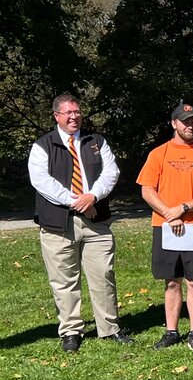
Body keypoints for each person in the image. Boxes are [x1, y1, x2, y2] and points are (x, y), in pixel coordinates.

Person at [27, 93, 133, 352]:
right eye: (68, 113)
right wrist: (77, 201)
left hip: (96, 222)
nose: (74, 117)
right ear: (57, 116)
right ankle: (71, 331)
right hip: (58, 225)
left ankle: (109, 329)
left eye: (77, 112)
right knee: (64, 281)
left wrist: (93, 196)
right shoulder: (43, 146)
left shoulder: (96, 141)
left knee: (103, 275)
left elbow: (111, 172)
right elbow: (41, 181)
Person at [137, 102, 193, 350]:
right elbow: (146, 189)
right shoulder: (158, 154)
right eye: (185, 121)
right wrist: (168, 213)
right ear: (174, 123)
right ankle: (171, 331)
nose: (190, 126)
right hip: (165, 226)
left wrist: (183, 209)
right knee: (171, 281)